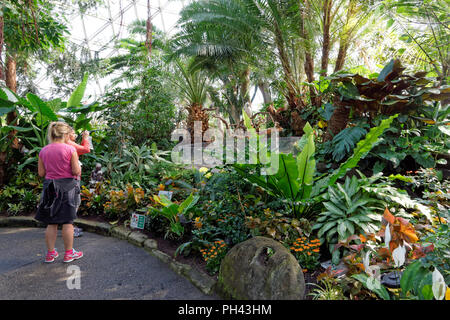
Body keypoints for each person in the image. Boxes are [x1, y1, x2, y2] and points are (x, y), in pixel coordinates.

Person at [35, 121, 84, 263]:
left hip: (49, 186)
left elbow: (41, 173)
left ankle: (50, 254)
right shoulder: (70, 150)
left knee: (52, 222)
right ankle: (69, 253)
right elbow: (76, 171)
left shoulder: (43, 151)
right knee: (68, 221)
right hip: (67, 186)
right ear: (66, 134)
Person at [66, 129, 91, 237]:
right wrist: (85, 138)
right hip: (72, 178)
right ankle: (69, 228)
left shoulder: (60, 144)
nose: (75, 134)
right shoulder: (69, 144)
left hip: (61, 179)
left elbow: (80, 150)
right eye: (72, 132)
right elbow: (86, 149)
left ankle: (68, 226)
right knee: (74, 202)